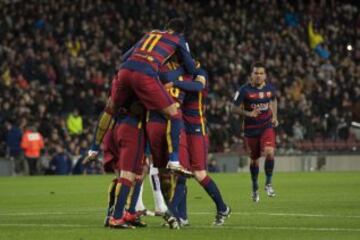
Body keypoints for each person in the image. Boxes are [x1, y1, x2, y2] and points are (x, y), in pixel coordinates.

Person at [87, 18, 197, 175]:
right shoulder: (179, 39)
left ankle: (93, 149)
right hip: (145, 73)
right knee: (174, 112)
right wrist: (179, 68)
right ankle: (174, 161)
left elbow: (124, 57)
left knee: (110, 108)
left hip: (125, 70)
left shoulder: (150, 33)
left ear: (166, 27)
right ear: (181, 31)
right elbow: (192, 68)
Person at [232, 62, 278, 202]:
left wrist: (275, 116)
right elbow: (233, 108)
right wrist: (248, 113)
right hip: (251, 130)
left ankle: (268, 183)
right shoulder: (244, 90)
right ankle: (254, 186)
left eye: (261, 73)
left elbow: (274, 100)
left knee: (270, 152)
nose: (258, 76)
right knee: (254, 161)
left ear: (265, 75)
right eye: (256, 73)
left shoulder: (270, 89)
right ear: (251, 75)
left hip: (266, 126)